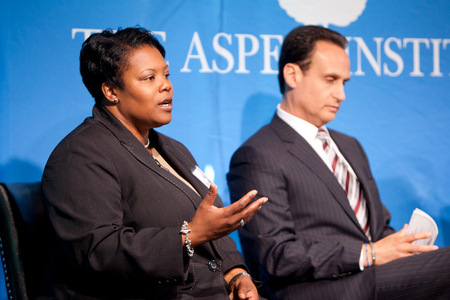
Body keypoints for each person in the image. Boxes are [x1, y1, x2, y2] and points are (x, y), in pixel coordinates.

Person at [41, 26, 268, 300]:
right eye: (149, 78)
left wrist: (236, 274)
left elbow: (211, 226)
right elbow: (100, 252)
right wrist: (189, 235)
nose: (166, 85)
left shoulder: (173, 148)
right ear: (111, 90)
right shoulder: (79, 156)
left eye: (167, 74)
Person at [227, 25, 450, 300]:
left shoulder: (350, 146)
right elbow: (277, 256)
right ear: (292, 74)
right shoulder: (256, 155)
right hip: (321, 290)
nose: (341, 95)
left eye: (344, 82)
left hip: (376, 278)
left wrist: (404, 246)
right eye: (330, 79)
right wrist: (369, 254)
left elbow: (377, 229)